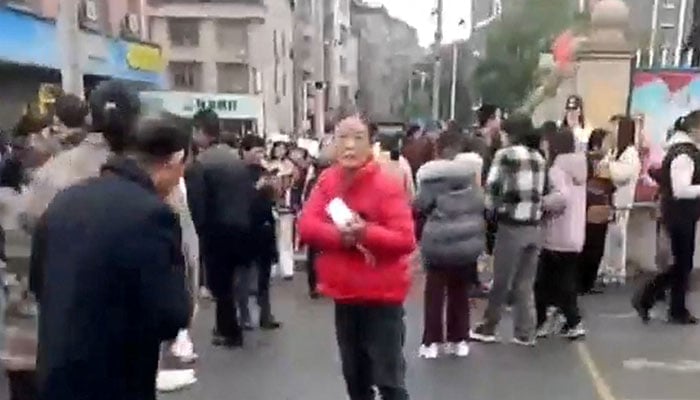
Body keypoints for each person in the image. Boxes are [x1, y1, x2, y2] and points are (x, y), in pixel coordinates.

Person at [31, 118, 192, 400]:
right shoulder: (152, 214)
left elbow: (38, 282)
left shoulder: (65, 200)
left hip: (54, 374)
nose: (180, 179)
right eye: (182, 169)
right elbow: (170, 313)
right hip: (114, 378)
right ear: (172, 161)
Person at [298, 115, 416, 400]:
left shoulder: (387, 184)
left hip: (383, 299)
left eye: (358, 138)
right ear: (334, 144)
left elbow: (405, 239)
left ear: (370, 144)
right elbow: (307, 226)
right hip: (346, 297)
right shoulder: (327, 181)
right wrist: (342, 237)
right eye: (343, 138)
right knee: (355, 379)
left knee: (390, 382)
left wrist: (367, 233)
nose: (350, 146)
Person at [470, 114, 547, 346]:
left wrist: (489, 210)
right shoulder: (539, 157)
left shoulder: (506, 156)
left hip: (511, 226)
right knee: (525, 283)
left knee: (501, 281)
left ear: (509, 134)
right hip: (534, 227)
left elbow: (492, 190)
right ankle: (525, 331)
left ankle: (488, 326)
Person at [414, 131, 484, 359]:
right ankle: (459, 340)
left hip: (438, 243)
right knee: (459, 292)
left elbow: (420, 206)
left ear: (438, 150)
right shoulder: (470, 177)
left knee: (434, 294)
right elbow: (480, 203)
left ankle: (432, 342)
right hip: (466, 243)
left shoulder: (431, 179)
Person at [194, 109, 255, 348]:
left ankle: (230, 331)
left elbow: (199, 202)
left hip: (217, 230)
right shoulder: (234, 159)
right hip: (241, 227)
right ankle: (227, 326)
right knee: (232, 281)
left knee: (221, 284)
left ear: (201, 131)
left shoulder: (203, 163)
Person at [633, 111, 700, 325]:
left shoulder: (683, 151)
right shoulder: (684, 155)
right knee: (682, 264)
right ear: (695, 129)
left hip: (681, 214)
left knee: (682, 264)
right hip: (680, 214)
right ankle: (651, 298)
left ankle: (669, 305)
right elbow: (681, 189)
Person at [535, 128, 588, 340]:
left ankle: (568, 320)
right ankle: (568, 320)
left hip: (557, 234)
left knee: (545, 283)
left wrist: (541, 204)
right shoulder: (579, 168)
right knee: (564, 280)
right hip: (574, 233)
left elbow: (561, 198)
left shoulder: (557, 170)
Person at [238, 134, 282, 330]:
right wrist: (256, 190)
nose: (259, 156)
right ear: (244, 152)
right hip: (246, 229)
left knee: (265, 275)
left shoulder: (267, 172)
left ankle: (265, 314)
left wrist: (273, 188)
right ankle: (244, 315)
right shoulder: (238, 174)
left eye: (261, 152)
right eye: (255, 152)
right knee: (244, 275)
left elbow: (275, 199)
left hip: (265, 228)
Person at [599, 117, 641, 286]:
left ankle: (617, 271)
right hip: (611, 201)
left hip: (621, 202)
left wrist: (608, 166)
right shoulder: (614, 151)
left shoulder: (631, 154)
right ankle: (607, 268)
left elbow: (621, 174)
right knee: (609, 238)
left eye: (616, 128)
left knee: (617, 238)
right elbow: (601, 167)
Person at [578, 128, 615, 294]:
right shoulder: (595, 160)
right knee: (593, 247)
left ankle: (586, 282)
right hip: (594, 205)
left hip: (599, 205)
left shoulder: (597, 159)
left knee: (594, 247)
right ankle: (584, 283)